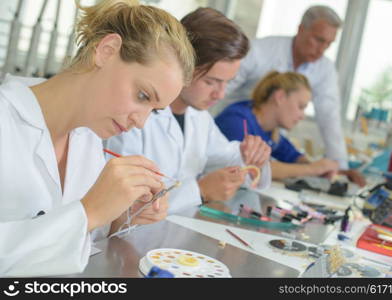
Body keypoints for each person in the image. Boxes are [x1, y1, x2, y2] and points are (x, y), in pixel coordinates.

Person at [0, 0, 195, 276]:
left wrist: (119, 217)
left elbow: (76, 242)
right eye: (142, 95)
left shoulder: (87, 140)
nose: (140, 122)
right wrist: (89, 212)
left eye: (154, 109)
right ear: (107, 51)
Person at [105, 7, 272, 214]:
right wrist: (200, 191)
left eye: (227, 83)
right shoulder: (132, 117)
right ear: (183, 65)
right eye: (211, 82)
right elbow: (120, 206)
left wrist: (254, 159)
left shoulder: (199, 118)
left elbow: (231, 159)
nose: (220, 94)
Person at [211, 5, 366, 187]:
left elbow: (330, 120)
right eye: (318, 40)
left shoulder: (272, 134)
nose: (322, 49)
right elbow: (217, 90)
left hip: (262, 124)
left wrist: (337, 171)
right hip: (230, 125)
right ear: (301, 30)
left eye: (329, 44)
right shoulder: (260, 52)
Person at [216, 71, 340, 181]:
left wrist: (321, 168)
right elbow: (255, 167)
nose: (302, 116)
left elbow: (293, 157)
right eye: (300, 107)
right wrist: (312, 169)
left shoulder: (271, 132)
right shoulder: (237, 120)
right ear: (280, 97)